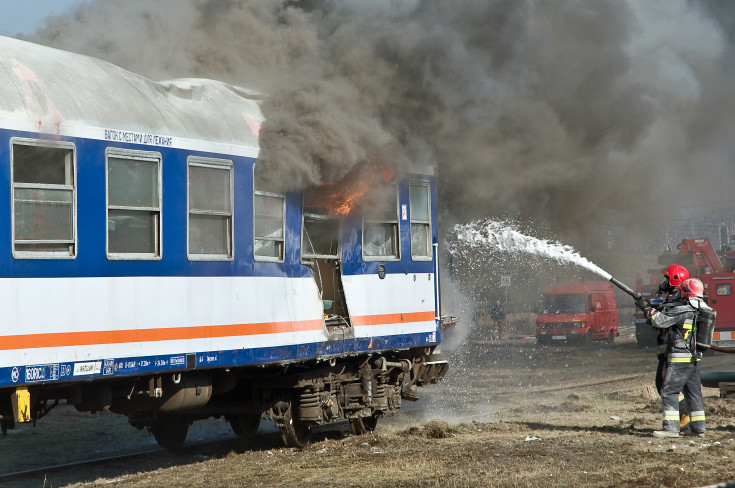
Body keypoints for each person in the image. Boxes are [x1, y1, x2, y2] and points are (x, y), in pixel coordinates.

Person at [638, 278, 709, 438]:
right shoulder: (704, 310)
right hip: (695, 357)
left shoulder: (683, 310)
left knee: (669, 391)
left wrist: (646, 308)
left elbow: (659, 321)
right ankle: (699, 429)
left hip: (680, 356)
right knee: (694, 392)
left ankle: (671, 428)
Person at [653, 264, 691, 431]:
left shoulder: (678, 300)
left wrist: (651, 310)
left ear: (675, 280)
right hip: (668, 348)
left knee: (665, 384)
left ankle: (683, 416)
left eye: (667, 279)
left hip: (674, 349)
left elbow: (665, 318)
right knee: (663, 383)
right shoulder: (673, 298)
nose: (664, 282)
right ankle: (684, 416)